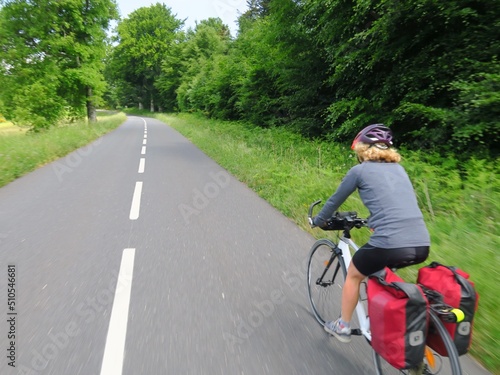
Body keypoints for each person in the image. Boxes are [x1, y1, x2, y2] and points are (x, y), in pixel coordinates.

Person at [311, 124, 430, 343]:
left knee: (355, 273)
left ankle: (343, 326)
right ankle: (386, 319)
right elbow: (396, 204)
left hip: (390, 243)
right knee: (380, 272)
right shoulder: (400, 170)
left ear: (363, 150)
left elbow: (334, 201)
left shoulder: (359, 170)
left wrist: (318, 220)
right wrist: (374, 221)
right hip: (422, 245)